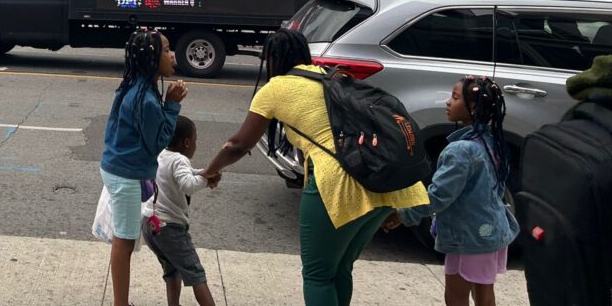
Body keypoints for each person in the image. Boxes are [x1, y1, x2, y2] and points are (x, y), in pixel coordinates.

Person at [201, 29, 428, 306]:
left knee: (318, 276)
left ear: (273, 58)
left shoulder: (276, 88)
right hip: (379, 178)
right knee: (341, 269)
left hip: (336, 185)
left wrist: (210, 170)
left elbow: (237, 145)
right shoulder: (330, 76)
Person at [386, 77, 518, 306]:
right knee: (484, 292)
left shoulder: (460, 150)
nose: (448, 102)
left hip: (468, 237)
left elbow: (438, 196)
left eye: (455, 98)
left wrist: (402, 214)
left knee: (456, 296)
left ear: (473, 107)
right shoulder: (491, 142)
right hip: (491, 232)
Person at [100, 29, 188, 306]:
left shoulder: (134, 87)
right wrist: (172, 106)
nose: (172, 55)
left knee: (122, 239)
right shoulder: (147, 99)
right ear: (151, 58)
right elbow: (158, 143)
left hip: (119, 168)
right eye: (166, 49)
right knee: (123, 242)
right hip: (125, 174)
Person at [142, 116, 219, 306]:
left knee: (172, 270)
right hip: (170, 229)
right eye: (195, 139)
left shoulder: (162, 155)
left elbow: (185, 174)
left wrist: (204, 172)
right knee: (196, 273)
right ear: (186, 142)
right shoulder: (180, 159)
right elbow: (187, 184)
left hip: (150, 224)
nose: (195, 144)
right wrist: (206, 180)